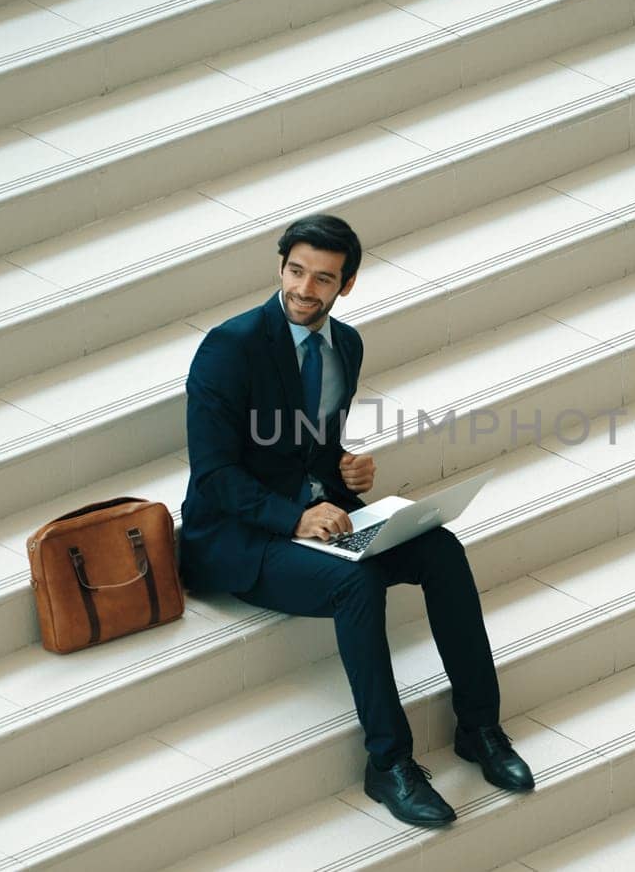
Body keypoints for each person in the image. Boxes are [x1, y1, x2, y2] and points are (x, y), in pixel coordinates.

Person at [178, 213, 533, 826]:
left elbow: (311, 450)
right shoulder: (229, 348)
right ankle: (389, 763)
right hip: (238, 537)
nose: (304, 290)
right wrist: (297, 516)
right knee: (356, 582)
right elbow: (214, 476)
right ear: (280, 267)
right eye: (295, 272)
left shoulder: (346, 344)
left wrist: (345, 475)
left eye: (322, 279)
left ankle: (479, 727)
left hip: (314, 514)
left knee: (441, 547)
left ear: (346, 286)